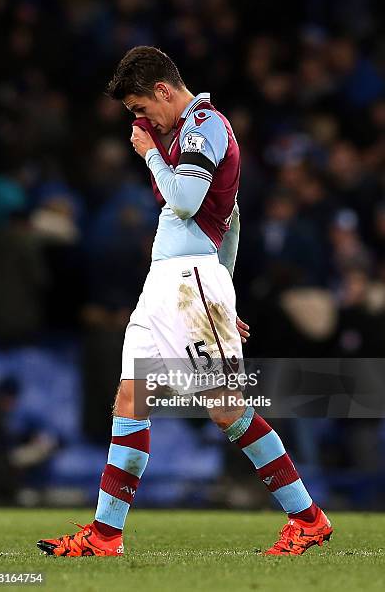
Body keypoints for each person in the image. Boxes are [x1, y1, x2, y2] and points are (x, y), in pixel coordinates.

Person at [37, 46, 332, 557]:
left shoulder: (204, 126)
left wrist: (149, 152)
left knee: (226, 411)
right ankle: (106, 535)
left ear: (163, 91)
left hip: (189, 280)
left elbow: (187, 201)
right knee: (130, 402)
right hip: (167, 286)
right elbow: (231, 218)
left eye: (140, 108)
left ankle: (307, 519)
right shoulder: (190, 134)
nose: (140, 120)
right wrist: (228, 289)